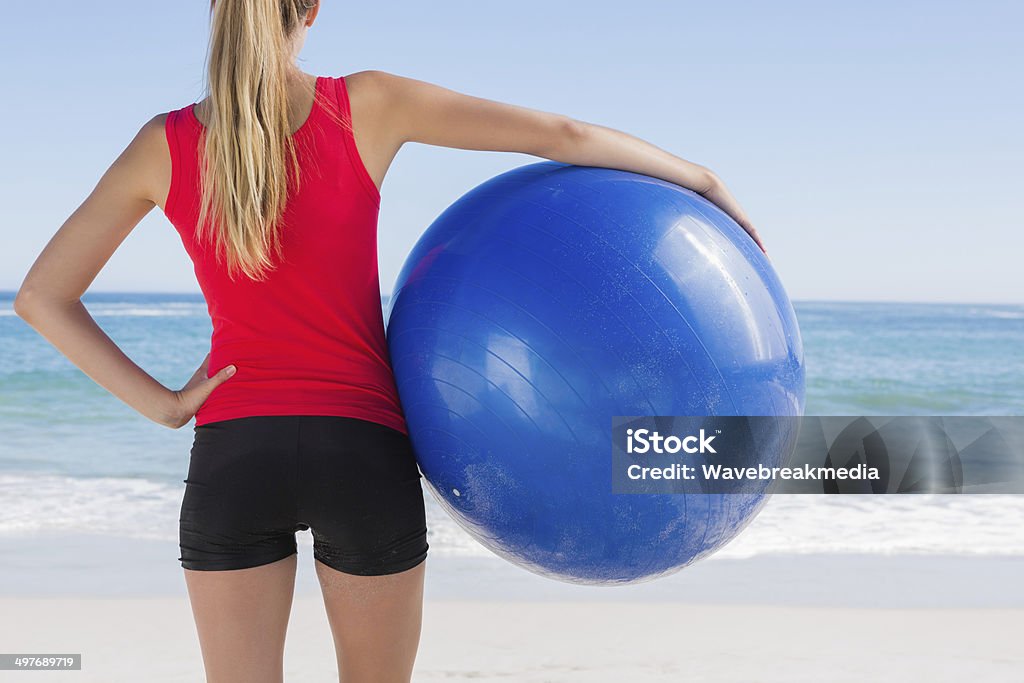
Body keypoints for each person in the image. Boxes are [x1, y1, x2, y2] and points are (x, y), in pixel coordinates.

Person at [13, 2, 764, 682]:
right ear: (310, 8)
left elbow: (42, 296)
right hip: (360, 454)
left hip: (234, 457)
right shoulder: (364, 105)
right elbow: (560, 137)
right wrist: (699, 177)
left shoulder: (163, 143)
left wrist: (168, 404)